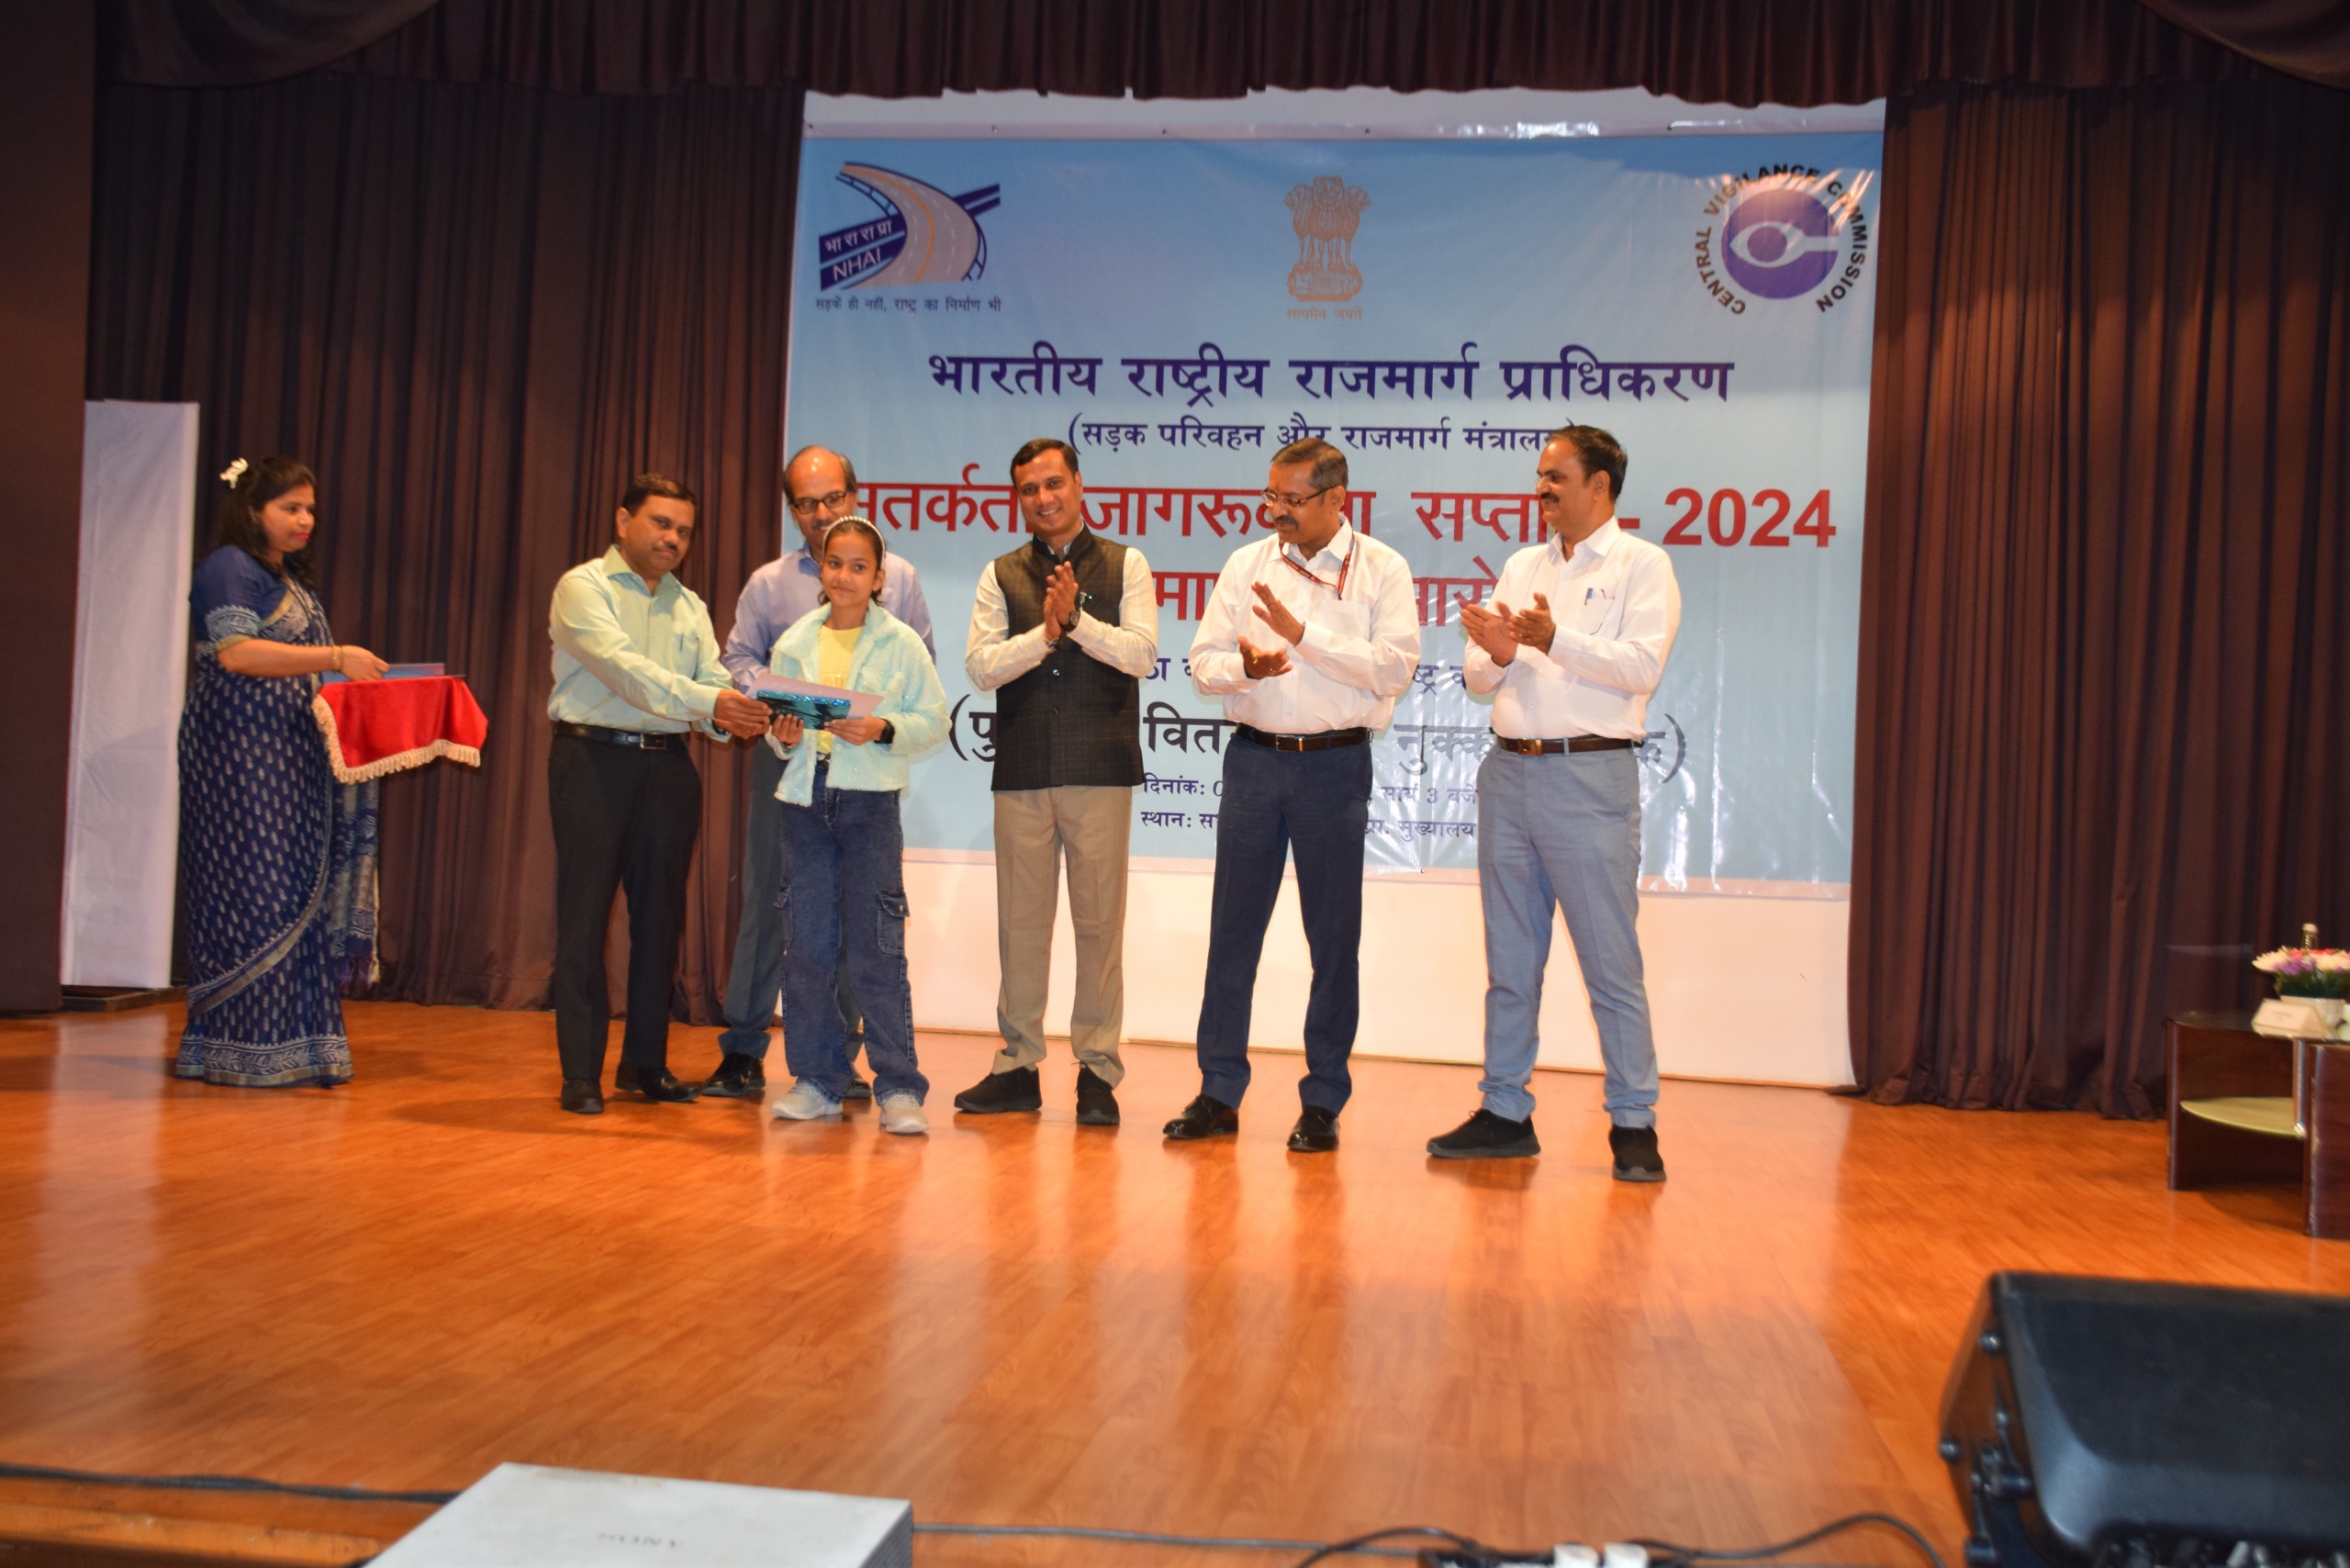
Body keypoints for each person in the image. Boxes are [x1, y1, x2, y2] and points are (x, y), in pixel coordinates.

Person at [1427, 426, 1681, 1180]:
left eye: (1555, 477)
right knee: (1510, 960)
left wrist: (1553, 639)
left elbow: (1641, 668)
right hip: (1510, 776)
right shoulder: (1521, 565)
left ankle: (1633, 1123)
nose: (1541, 489)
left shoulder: (1642, 565)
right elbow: (1477, 673)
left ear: (1599, 485)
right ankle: (1505, 1111)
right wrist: (1502, 652)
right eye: (1539, 477)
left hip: (1589, 778)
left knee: (1611, 963)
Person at [1169, 438, 1419, 1152]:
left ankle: (1323, 1099)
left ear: (1337, 499)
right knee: (1232, 934)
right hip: (1254, 763)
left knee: (1333, 941)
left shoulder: (1382, 570)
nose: (1276, 512)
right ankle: (1219, 1091)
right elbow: (1202, 663)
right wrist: (1245, 669)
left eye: (1292, 500)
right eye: (1271, 497)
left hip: (1334, 769)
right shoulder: (1246, 564)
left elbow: (1393, 669)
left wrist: (1304, 636)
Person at [704, 446, 934, 1103]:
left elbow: (920, 674)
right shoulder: (769, 585)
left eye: (833, 498)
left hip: (864, 770)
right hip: (787, 757)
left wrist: (878, 722)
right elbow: (737, 659)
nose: (821, 513)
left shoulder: (903, 578)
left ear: (855, 497)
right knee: (774, 905)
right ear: (792, 510)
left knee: (861, 921)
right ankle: (744, 1048)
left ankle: (845, 1061)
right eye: (807, 504)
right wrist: (778, 697)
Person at [546, 473, 772, 1114]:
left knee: (660, 922)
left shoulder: (689, 605)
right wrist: (714, 703)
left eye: (684, 531)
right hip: (593, 760)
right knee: (584, 918)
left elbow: (711, 682)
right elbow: (626, 672)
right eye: (661, 523)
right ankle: (580, 1073)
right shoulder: (582, 588)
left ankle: (644, 1063)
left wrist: (739, 717)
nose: (673, 539)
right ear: (623, 522)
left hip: (669, 767)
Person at [957, 439, 1158, 1127]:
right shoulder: (1000, 573)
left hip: (1100, 770)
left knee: (1099, 927)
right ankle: (1018, 1066)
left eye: (1053, 483)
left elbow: (1142, 655)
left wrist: (1077, 623)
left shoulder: (1127, 564)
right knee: (1021, 927)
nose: (1043, 499)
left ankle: (1097, 1072)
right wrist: (1044, 636)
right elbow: (981, 667)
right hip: (1022, 770)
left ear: (1078, 484)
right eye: (1029, 489)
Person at [176, 455, 390, 1088]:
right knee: (255, 889)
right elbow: (237, 653)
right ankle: (238, 1047)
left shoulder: (291, 581)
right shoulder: (228, 567)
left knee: (299, 889)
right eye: (290, 508)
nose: (305, 520)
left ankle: (302, 1046)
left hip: (294, 754)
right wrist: (337, 656)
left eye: (309, 509)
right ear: (252, 511)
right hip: (238, 756)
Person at [760, 518, 949, 1135]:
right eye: (834, 563)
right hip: (804, 802)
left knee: (877, 947)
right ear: (821, 569)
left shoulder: (901, 643)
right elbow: (778, 733)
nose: (844, 576)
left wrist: (883, 728)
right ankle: (817, 1081)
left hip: (869, 805)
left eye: (858, 566)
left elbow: (935, 720)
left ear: (879, 577)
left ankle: (899, 1088)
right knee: (807, 947)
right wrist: (784, 734)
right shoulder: (795, 641)